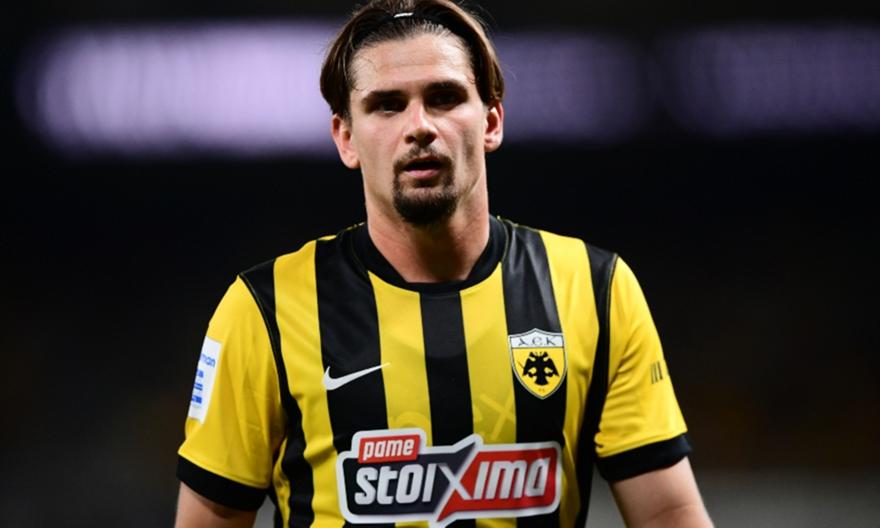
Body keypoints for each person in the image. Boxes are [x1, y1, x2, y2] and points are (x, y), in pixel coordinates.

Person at [174, 0, 713, 526]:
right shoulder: (265, 307)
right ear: (346, 138)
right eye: (387, 105)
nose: (419, 126)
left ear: (492, 122)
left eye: (444, 97)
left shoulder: (594, 289)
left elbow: (668, 513)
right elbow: (212, 517)